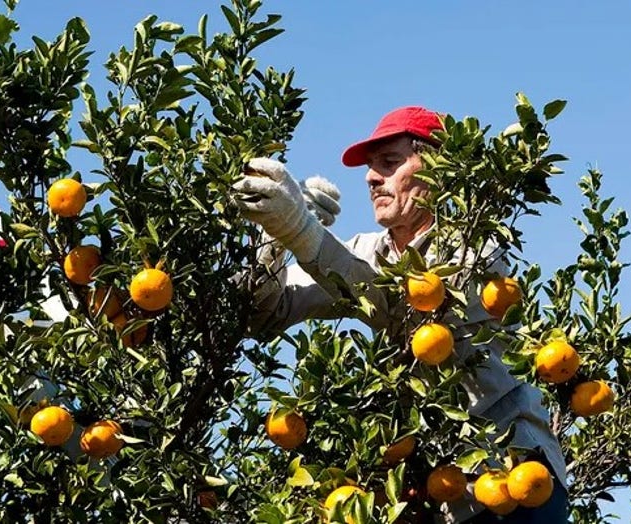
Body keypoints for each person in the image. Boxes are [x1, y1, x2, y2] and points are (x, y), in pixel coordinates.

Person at [233, 106, 570, 523]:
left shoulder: (474, 249)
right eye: (371, 168)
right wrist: (274, 237)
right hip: (438, 499)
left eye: (390, 163)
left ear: (434, 171)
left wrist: (304, 232)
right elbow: (266, 313)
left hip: (514, 484)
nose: (373, 178)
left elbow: (402, 309)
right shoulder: (365, 254)